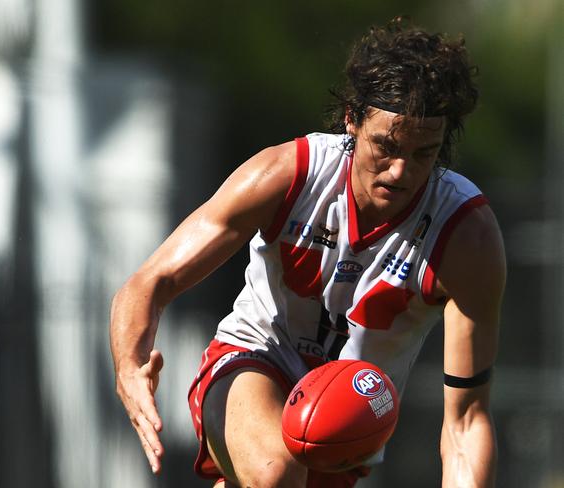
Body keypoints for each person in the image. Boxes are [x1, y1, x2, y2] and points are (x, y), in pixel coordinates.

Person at [110, 17, 505, 488]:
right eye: (386, 146)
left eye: (424, 154)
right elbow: (149, 282)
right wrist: (129, 364)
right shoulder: (288, 174)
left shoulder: (465, 236)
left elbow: (465, 423)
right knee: (277, 472)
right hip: (253, 360)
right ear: (352, 120)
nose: (401, 172)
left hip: (349, 423)